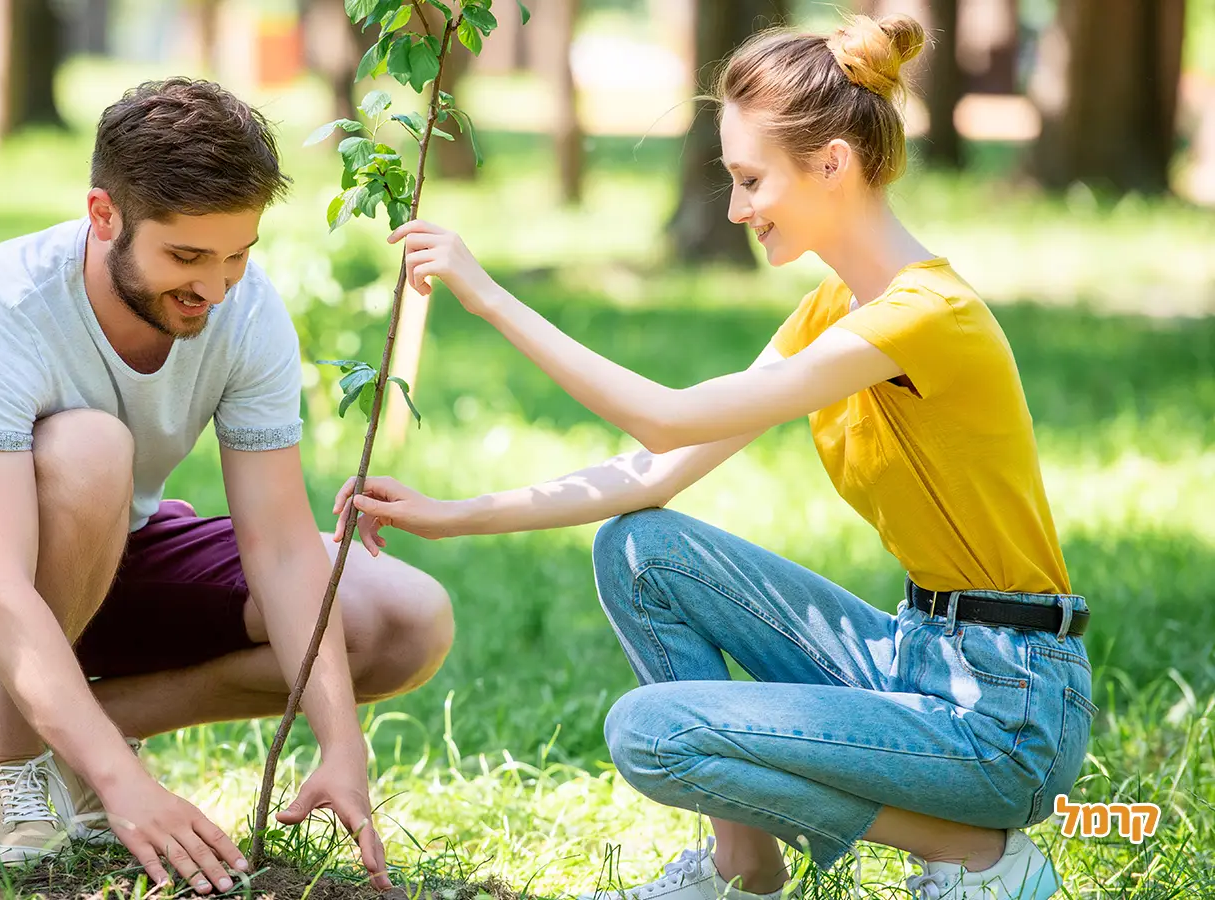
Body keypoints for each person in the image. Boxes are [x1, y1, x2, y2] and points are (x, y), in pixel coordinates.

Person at [329, 14, 1091, 900]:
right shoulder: (835, 311)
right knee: (641, 550)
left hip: (1009, 711)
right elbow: (657, 471)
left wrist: (489, 296)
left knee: (656, 733)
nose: (736, 209)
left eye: (750, 179)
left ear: (834, 163)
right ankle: (744, 867)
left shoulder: (924, 318)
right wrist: (456, 515)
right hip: (915, 657)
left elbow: (664, 418)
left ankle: (971, 852)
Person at [0, 78, 454, 893]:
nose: (214, 288)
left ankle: (78, 750)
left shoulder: (243, 308)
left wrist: (342, 743)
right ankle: (5, 770)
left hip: (97, 550)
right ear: (103, 216)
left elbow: (281, 546)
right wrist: (133, 791)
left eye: (238, 254)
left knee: (400, 619)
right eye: (186, 257)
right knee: (90, 448)